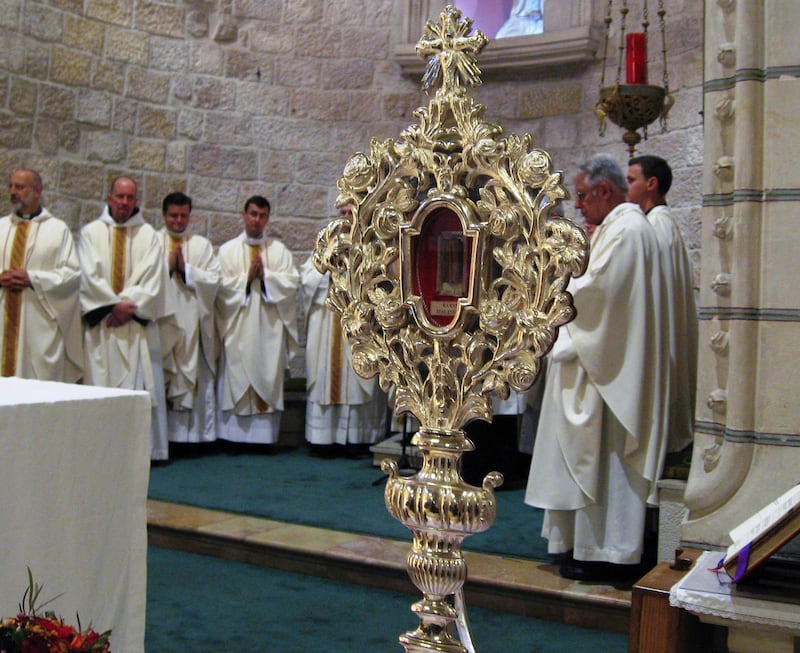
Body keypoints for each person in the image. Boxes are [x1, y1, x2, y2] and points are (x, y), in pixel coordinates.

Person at [524, 154, 669, 581]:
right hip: (602, 366)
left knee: (605, 461)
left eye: (584, 196)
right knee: (590, 460)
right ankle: (581, 546)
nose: (580, 205)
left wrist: (552, 289)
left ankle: (605, 551)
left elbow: (596, 294)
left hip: (609, 375)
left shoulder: (627, 230)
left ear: (605, 191)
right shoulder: (619, 227)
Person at [79, 176, 174, 461]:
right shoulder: (90, 232)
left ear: (136, 201)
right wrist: (112, 306)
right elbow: (88, 275)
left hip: (134, 329)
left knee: (135, 390)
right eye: (119, 196)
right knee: (98, 387)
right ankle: (97, 451)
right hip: (103, 329)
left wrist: (122, 306)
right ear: (109, 197)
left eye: (130, 197)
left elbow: (153, 280)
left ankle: (134, 453)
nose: (124, 203)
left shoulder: (149, 236)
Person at [300, 206, 386, 458]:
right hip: (329, 323)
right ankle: (323, 439)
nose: (348, 216)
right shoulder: (326, 242)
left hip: (358, 323)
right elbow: (306, 281)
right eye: (344, 211)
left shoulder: (372, 243)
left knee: (358, 376)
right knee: (327, 374)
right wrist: (329, 264)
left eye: (352, 211)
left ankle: (357, 439)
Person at [627, 154, 697, 456]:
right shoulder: (661, 223)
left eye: (632, 180)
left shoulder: (656, 227)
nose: (626, 186)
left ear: (651, 184)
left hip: (659, 337)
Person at [215, 195, 299, 448]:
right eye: (252, 214)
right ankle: (233, 438)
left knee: (266, 373)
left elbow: (291, 284)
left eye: (262, 216)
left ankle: (263, 440)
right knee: (236, 373)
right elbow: (220, 289)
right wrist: (245, 279)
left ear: (267, 219)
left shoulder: (278, 251)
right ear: (243, 215)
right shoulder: (227, 250)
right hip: (238, 327)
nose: (257, 220)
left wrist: (267, 278)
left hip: (268, 330)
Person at [0, 169, 82, 381]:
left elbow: (71, 276)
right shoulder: (1, 227)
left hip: (36, 330)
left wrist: (33, 279)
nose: (13, 192)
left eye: (20, 187)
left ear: (37, 191)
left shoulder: (57, 230)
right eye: (11, 186)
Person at [158, 192, 222, 446]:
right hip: (162, 320)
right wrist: (167, 267)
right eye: (173, 215)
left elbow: (214, 281)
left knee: (190, 374)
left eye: (184, 215)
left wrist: (187, 271)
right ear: (164, 215)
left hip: (193, 323)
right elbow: (142, 277)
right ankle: (164, 438)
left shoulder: (201, 245)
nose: (178, 220)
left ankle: (190, 438)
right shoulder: (152, 241)